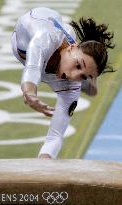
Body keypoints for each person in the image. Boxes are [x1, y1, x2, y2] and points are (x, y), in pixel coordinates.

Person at [11, 7, 114, 159]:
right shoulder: (45, 38)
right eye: (78, 65)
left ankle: (88, 75)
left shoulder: (72, 83)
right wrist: (30, 93)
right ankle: (89, 77)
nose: (73, 77)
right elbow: (32, 68)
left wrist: (43, 163)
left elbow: (56, 136)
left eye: (83, 76)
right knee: (51, 57)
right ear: (72, 47)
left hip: (59, 39)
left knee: (76, 84)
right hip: (38, 22)